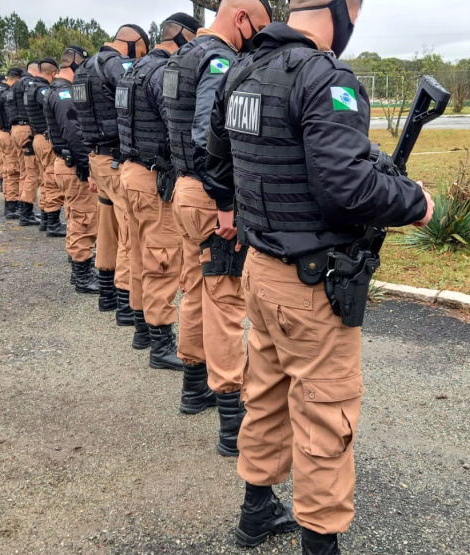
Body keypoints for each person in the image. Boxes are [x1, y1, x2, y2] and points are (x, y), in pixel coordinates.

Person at [204, 0, 435, 552]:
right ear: (340, 12)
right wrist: (415, 202)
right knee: (325, 413)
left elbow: (217, 162)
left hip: (260, 270)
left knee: (265, 394)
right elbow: (347, 189)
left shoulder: (242, 71)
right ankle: (319, 544)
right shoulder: (324, 76)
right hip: (308, 285)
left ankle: (256, 512)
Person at [163, 0, 272, 457]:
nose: (258, 41)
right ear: (241, 18)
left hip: (184, 191)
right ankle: (232, 424)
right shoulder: (220, 59)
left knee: (194, 289)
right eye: (258, 29)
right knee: (225, 301)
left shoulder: (181, 57)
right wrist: (227, 204)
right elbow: (208, 135)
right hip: (211, 198)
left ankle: (194, 387)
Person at [116, 13, 201, 362]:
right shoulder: (164, 73)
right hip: (154, 178)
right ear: (184, 38)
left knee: (139, 254)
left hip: (131, 171)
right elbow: (176, 126)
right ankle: (161, 342)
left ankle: (143, 329)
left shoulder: (133, 71)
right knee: (161, 260)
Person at [73, 24, 148, 322]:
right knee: (129, 232)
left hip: (97, 159)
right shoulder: (116, 65)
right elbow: (135, 102)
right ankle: (125, 302)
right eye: (141, 51)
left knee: (107, 230)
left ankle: (106, 293)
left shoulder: (84, 69)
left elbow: (81, 119)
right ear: (134, 43)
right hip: (116, 161)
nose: (140, 58)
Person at [45, 46, 100, 294]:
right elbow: (74, 135)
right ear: (76, 64)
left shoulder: (58, 90)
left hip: (67, 163)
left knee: (76, 216)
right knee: (83, 219)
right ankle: (82, 275)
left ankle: (78, 267)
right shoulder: (64, 93)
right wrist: (88, 170)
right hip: (74, 165)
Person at [25, 58, 67, 237]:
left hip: (38, 137)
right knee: (52, 180)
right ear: (53, 73)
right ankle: (53, 223)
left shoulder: (30, 87)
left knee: (45, 178)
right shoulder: (42, 90)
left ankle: (45, 219)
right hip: (45, 138)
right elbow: (53, 106)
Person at [10, 60, 42, 226]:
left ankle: (24, 208)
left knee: (24, 171)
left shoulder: (15, 85)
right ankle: (26, 213)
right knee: (33, 173)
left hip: (15, 130)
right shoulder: (29, 83)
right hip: (26, 130)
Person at [0, 67, 25, 220]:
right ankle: (12, 206)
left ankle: (12, 203)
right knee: (14, 170)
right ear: (17, 79)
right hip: (8, 133)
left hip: (3, 133)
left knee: (9, 170)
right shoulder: (7, 93)